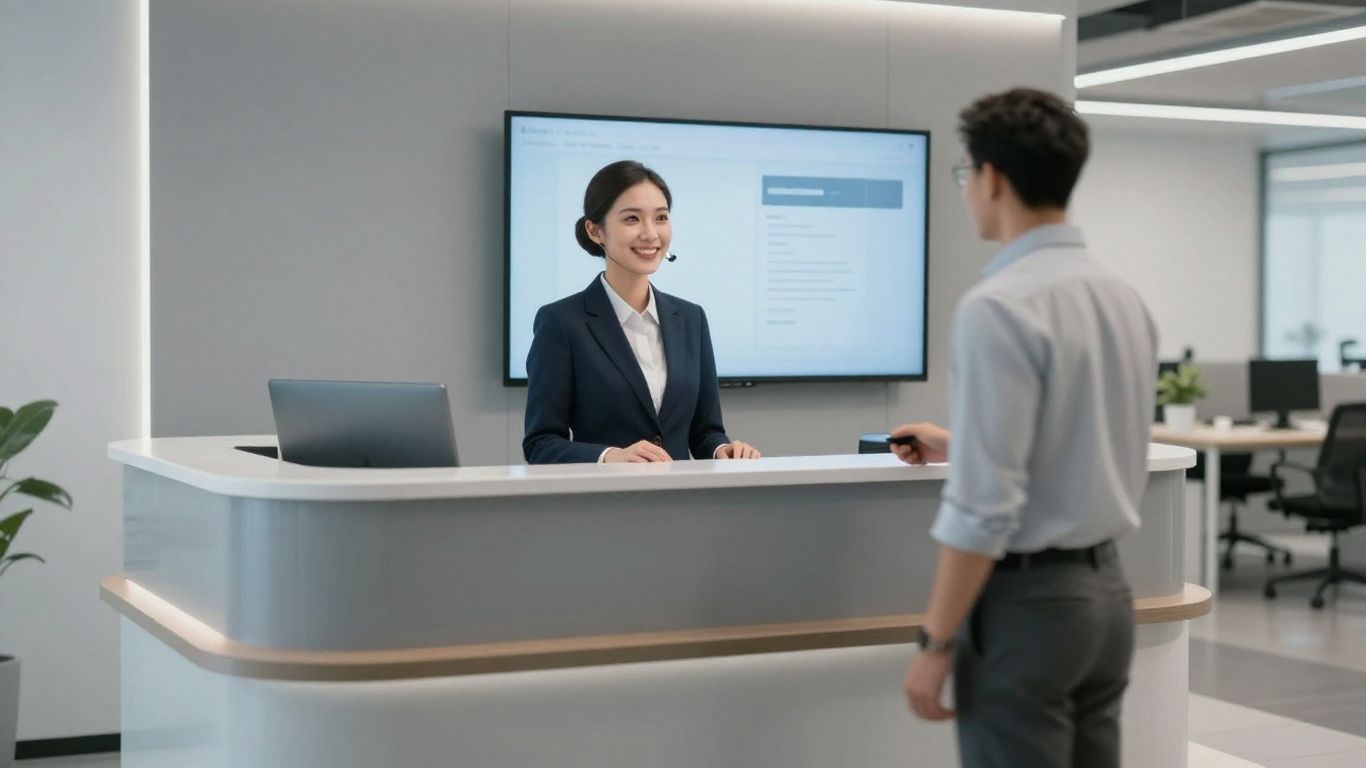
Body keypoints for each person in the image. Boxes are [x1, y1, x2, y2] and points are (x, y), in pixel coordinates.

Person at [891, 88, 1159, 768]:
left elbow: (983, 509)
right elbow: (1089, 440)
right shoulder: (1120, 294)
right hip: (1107, 602)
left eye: (965, 175)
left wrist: (935, 642)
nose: (966, 191)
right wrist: (957, 442)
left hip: (1031, 610)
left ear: (993, 179)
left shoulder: (999, 306)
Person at [523, 160, 760, 465]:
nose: (651, 234)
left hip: (684, 503)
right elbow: (540, 443)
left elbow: (705, 432)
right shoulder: (562, 322)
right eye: (632, 219)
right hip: (604, 503)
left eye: (661, 218)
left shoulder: (691, 319)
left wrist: (721, 450)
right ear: (595, 230)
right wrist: (609, 456)